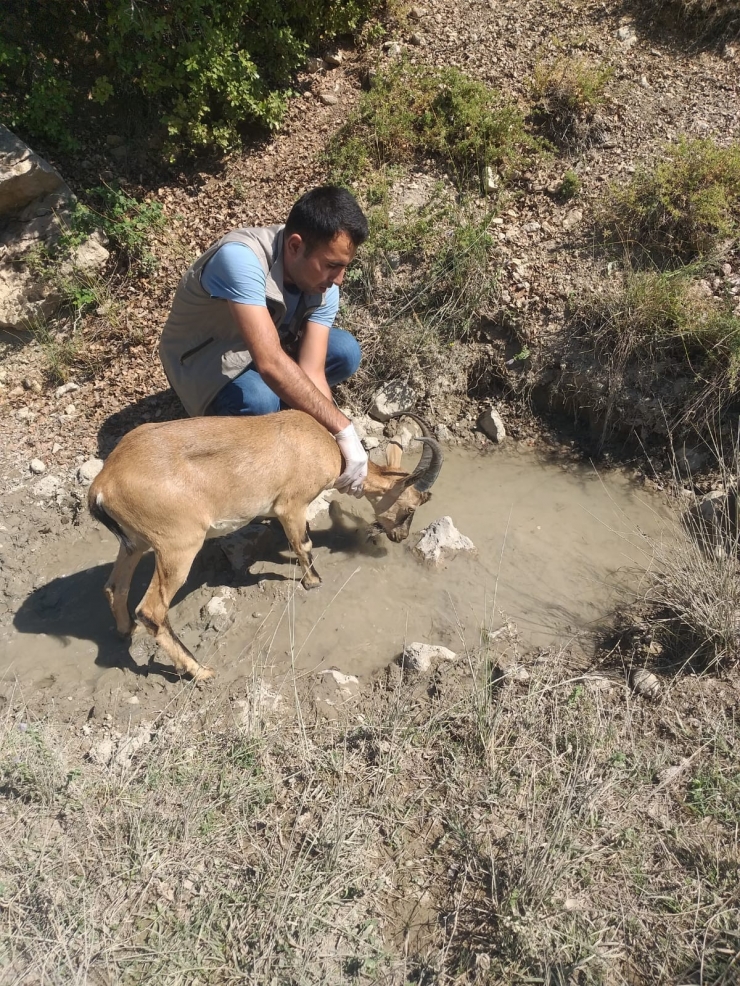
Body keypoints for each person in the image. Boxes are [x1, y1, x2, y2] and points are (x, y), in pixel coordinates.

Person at [158, 185, 369, 494]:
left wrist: (334, 439)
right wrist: (345, 429)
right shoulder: (240, 259)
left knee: (344, 351)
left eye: (344, 267)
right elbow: (270, 362)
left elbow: (313, 371)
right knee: (260, 400)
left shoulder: (328, 287)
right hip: (203, 362)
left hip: (261, 350)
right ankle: (242, 431)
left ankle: (279, 417)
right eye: (331, 265)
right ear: (295, 246)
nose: (339, 280)